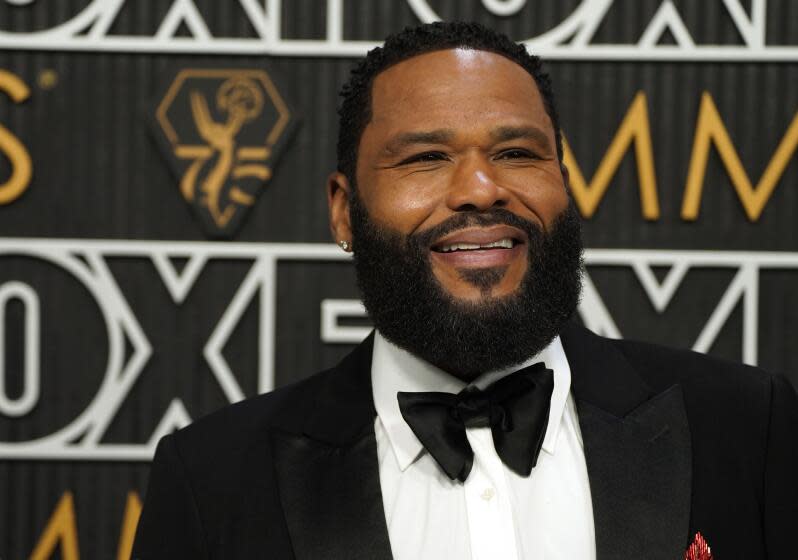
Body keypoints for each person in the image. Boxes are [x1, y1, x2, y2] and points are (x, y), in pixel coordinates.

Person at [132, 21, 798, 559]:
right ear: (343, 211)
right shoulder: (213, 478)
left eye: (516, 154)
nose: (481, 189)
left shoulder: (745, 425)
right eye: (425, 158)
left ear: (564, 185)